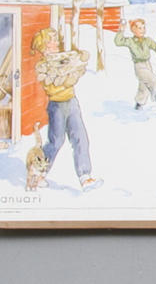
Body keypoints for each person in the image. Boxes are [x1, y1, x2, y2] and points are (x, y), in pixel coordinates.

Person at [32, 27, 101, 191]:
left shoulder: (63, 58)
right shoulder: (43, 66)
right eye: (51, 41)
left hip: (71, 102)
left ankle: (85, 176)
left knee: (81, 138)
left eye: (56, 40)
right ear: (43, 46)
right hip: (57, 106)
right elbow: (53, 84)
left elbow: (76, 70)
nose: (56, 43)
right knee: (56, 142)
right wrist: (68, 75)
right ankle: (38, 172)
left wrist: (80, 62)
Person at [115, 19, 156, 111]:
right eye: (139, 28)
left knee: (144, 86)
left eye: (144, 28)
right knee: (152, 79)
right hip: (139, 65)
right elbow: (118, 42)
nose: (142, 30)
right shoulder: (130, 41)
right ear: (133, 30)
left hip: (148, 64)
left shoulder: (147, 40)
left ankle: (139, 104)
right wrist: (121, 30)